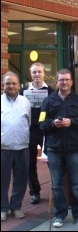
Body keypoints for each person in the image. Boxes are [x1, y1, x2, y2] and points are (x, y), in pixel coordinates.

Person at [39, 69, 78, 228]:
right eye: (61, 80)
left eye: (67, 80)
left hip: (74, 148)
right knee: (56, 185)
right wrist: (53, 123)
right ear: (56, 81)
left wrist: (72, 122)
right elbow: (41, 124)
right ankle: (60, 215)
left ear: (72, 82)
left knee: (76, 184)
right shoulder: (47, 101)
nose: (64, 82)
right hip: (54, 149)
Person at [19, 62, 55, 205]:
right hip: (28, 132)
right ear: (31, 73)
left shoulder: (51, 92)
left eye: (39, 72)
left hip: (46, 132)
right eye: (34, 72)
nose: (37, 74)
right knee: (29, 164)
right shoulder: (23, 92)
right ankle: (34, 192)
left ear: (44, 73)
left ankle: (56, 191)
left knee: (51, 162)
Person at [1, 71, 31, 221]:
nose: (11, 86)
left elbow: (28, 122)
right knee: (2, 179)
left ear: (18, 85)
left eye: (13, 83)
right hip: (3, 148)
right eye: (8, 83)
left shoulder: (25, 101)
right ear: (3, 85)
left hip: (22, 147)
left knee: (21, 179)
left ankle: (16, 207)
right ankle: (3, 208)